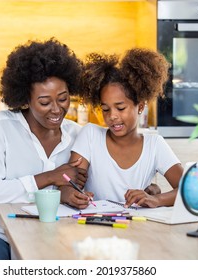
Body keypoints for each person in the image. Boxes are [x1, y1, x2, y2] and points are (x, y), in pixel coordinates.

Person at [0, 38, 89, 260]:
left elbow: (82, 190)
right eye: (44, 102)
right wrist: (50, 177)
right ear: (25, 99)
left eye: (63, 99)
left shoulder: (78, 135)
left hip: (56, 236)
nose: (57, 109)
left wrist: (69, 194)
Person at [66, 48, 184, 209]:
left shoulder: (154, 145)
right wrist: (76, 195)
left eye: (120, 108)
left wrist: (156, 199)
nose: (112, 116)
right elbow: (69, 183)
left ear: (140, 106)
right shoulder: (90, 135)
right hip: (95, 226)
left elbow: (189, 189)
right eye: (105, 109)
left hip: (137, 228)